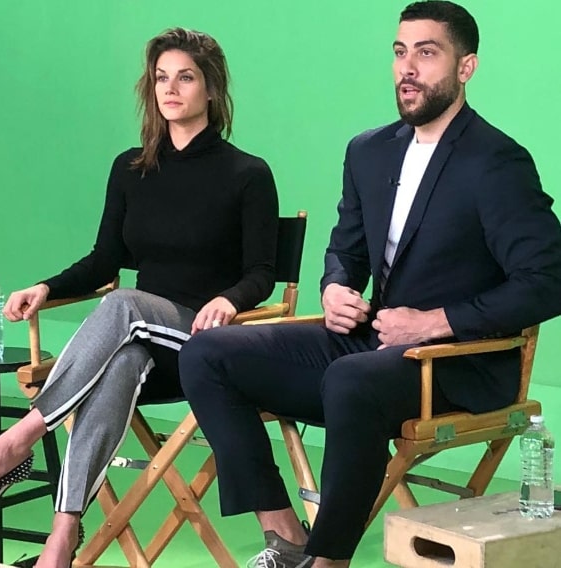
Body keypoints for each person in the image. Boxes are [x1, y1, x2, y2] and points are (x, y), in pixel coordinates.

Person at [178, 2, 561, 567]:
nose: (408, 67)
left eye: (427, 53)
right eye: (400, 52)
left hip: (458, 361)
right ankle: (287, 538)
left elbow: (547, 281)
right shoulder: (368, 151)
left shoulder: (497, 162)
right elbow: (346, 252)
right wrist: (335, 287)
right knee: (207, 352)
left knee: (352, 379)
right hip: (374, 346)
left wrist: (437, 322)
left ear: (466, 67)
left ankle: (329, 560)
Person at [0, 28, 279, 568]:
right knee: (120, 359)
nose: (171, 89)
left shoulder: (247, 174)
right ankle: (62, 539)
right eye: (161, 78)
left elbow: (262, 273)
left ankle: (18, 439)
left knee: (124, 304)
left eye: (185, 77)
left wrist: (231, 301)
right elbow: (103, 261)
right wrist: (45, 287)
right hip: (140, 346)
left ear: (211, 88)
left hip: (203, 341)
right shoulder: (131, 168)